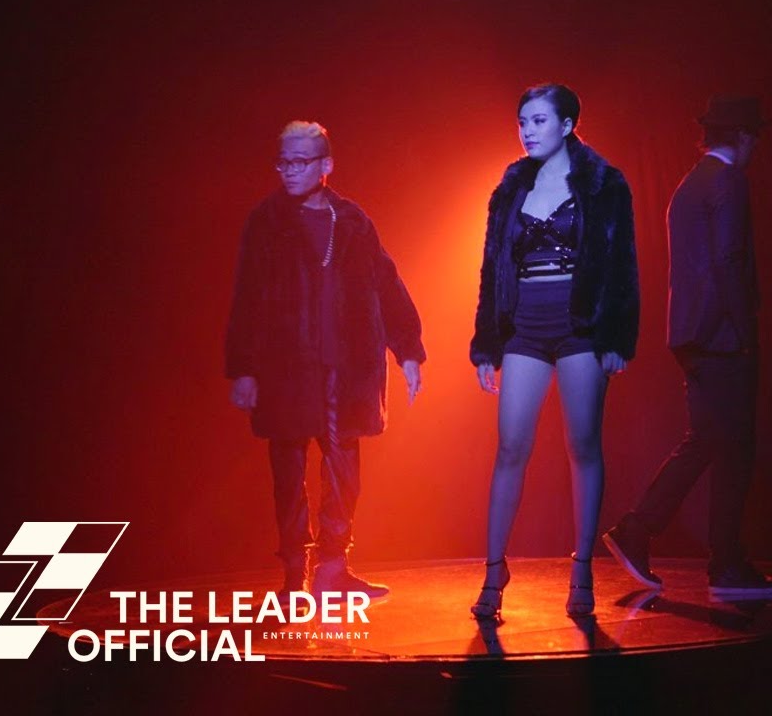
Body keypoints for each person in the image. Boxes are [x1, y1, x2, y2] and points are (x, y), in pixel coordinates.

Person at [225, 121, 426, 601]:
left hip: (346, 370)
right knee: (288, 475)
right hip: (286, 370)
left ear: (325, 165)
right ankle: (295, 576)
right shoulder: (267, 221)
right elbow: (247, 295)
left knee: (343, 474)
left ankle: (333, 570)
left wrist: (408, 350)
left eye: (299, 161)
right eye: (283, 162)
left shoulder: (352, 220)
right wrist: (244, 367)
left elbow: (386, 282)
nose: (289, 171)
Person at [602, 95, 772, 599]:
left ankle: (640, 530)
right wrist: (746, 332)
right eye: (755, 137)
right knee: (735, 449)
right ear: (743, 136)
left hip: (690, 334)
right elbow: (729, 260)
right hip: (722, 337)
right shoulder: (728, 181)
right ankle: (725, 566)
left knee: (707, 440)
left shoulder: (689, 185)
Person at [469, 84, 639, 618]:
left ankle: (582, 569)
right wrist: (486, 343)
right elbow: (492, 267)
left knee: (582, 444)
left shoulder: (604, 183)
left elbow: (622, 264)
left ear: (567, 125)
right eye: (522, 121)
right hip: (524, 327)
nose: (527, 130)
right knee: (510, 447)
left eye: (539, 120)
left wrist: (617, 338)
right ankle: (493, 573)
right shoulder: (510, 187)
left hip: (581, 327)